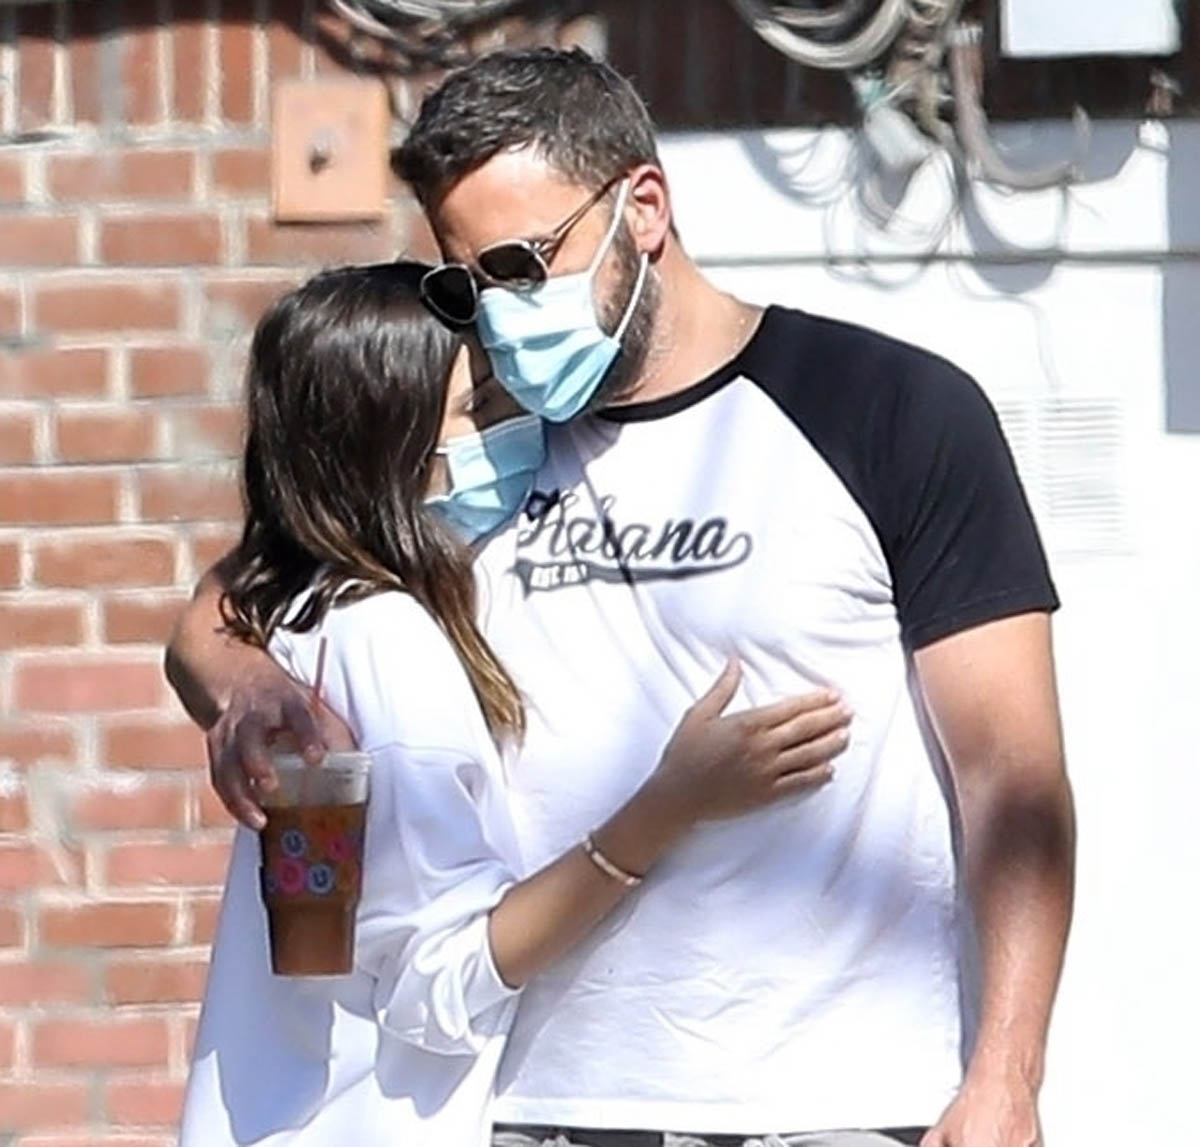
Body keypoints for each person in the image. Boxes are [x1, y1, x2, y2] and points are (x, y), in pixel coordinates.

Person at [167, 48, 1076, 1147]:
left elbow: (1012, 777)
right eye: (466, 283)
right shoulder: (482, 439)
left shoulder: (888, 409)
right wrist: (246, 686)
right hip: (544, 1106)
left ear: (642, 207)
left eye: (523, 264)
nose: (499, 314)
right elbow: (246, 592)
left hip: (837, 1098)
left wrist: (1007, 1073)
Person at [178, 262, 850, 1147]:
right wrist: (670, 804)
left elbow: (329, 942)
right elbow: (436, 979)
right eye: (481, 408)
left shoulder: (306, 624)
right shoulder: (389, 642)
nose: (516, 429)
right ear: (387, 447)